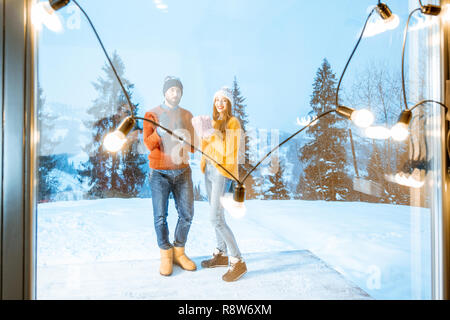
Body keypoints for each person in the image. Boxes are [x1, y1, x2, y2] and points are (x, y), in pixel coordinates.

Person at [143, 76, 197, 276]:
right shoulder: (152, 114)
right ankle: (166, 254)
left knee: (187, 214)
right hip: (159, 173)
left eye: (178, 91)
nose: (175, 93)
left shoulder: (187, 115)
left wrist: (189, 139)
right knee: (160, 217)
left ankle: (179, 252)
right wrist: (159, 131)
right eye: (172, 90)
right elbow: (148, 144)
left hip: (183, 171)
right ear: (165, 92)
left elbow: (193, 148)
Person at [195, 86, 247, 282]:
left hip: (221, 172)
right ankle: (221, 254)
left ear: (229, 104)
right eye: (217, 100)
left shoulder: (233, 123)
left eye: (223, 100)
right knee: (216, 213)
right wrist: (203, 133)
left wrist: (211, 134)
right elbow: (207, 147)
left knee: (215, 218)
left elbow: (227, 151)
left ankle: (238, 260)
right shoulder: (214, 122)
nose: (219, 103)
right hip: (208, 170)